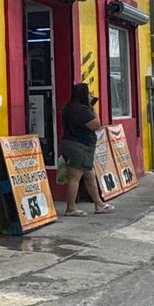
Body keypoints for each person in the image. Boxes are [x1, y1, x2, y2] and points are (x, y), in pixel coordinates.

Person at [60, 82, 112, 217]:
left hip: (74, 144)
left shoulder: (68, 107)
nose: (90, 96)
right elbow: (96, 125)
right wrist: (93, 109)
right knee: (75, 176)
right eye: (88, 93)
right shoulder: (82, 110)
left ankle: (98, 204)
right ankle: (70, 208)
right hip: (80, 145)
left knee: (89, 175)